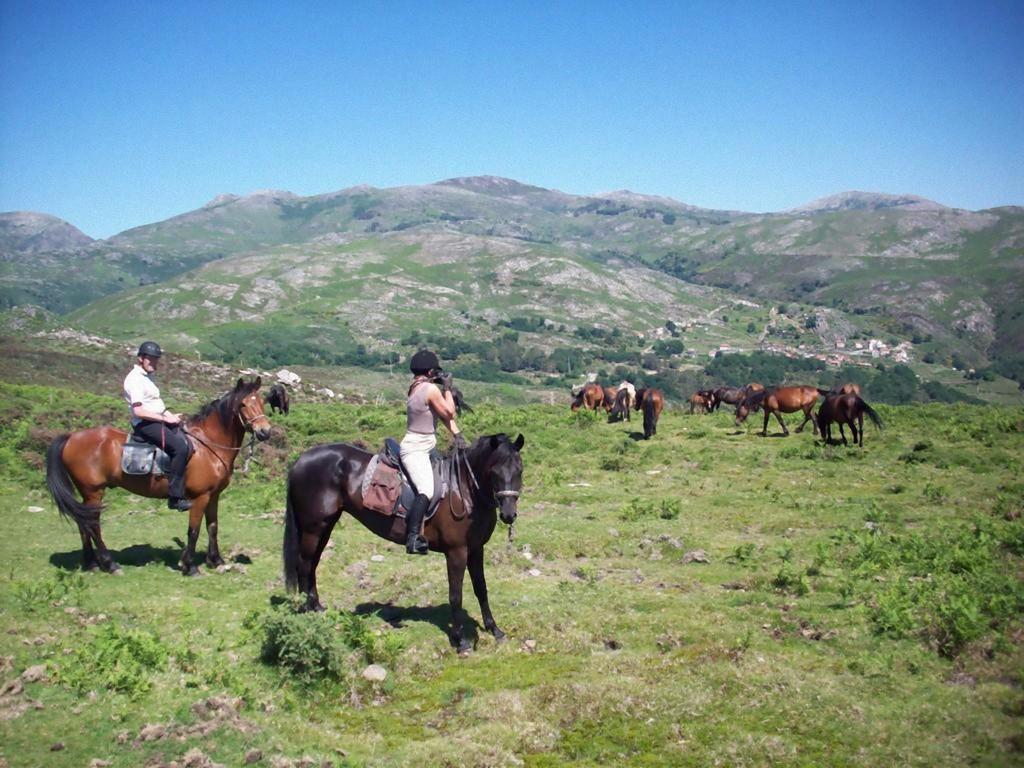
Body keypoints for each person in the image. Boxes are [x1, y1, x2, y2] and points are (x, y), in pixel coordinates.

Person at [400, 349, 466, 554]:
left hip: (426, 445)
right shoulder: (430, 390)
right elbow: (449, 411)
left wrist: (457, 434)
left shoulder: (416, 387)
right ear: (430, 372)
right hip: (416, 449)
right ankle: (412, 538)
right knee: (426, 490)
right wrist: (447, 388)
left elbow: (444, 417)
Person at [123, 341, 192, 511]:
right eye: (150, 359)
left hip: (157, 419)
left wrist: (171, 416)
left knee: (188, 438)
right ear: (141, 358)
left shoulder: (148, 378)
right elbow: (139, 411)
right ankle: (175, 497)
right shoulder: (135, 379)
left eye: (156, 359)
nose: (154, 363)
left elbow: (156, 404)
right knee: (180, 448)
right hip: (146, 423)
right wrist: (164, 419)